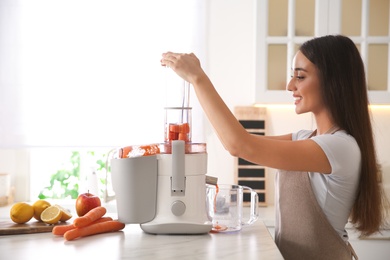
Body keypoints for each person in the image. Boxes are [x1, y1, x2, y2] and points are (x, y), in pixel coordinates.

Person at [160, 35, 388, 259]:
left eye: (300, 76)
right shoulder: (307, 139)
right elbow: (238, 141)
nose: (290, 86)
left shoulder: (339, 147)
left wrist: (198, 78)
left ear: (332, 81)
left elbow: (240, 145)